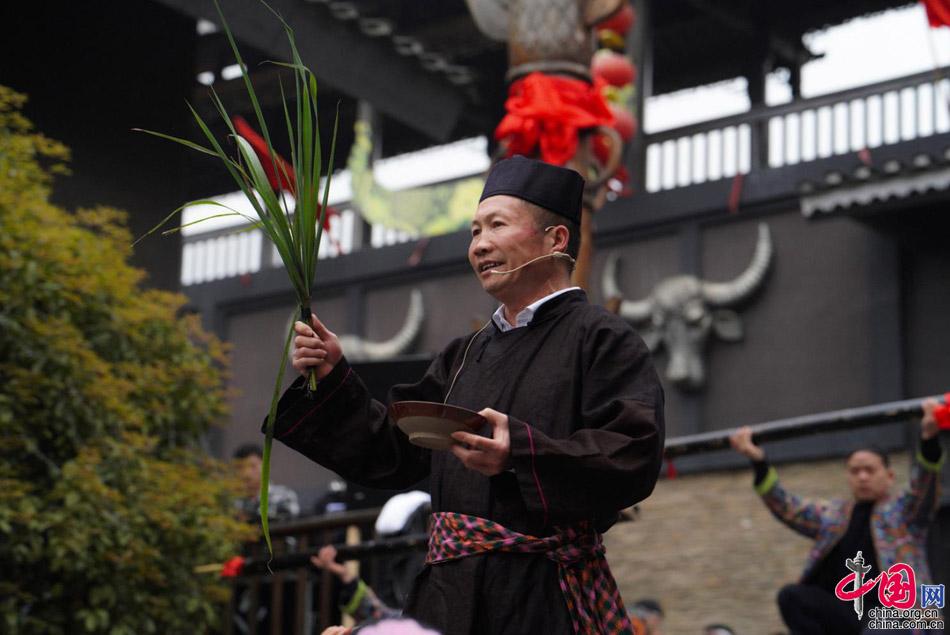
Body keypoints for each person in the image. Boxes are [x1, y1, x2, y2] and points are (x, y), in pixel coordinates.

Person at [268, 155, 665, 634]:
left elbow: (633, 453)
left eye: (496, 226)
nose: (480, 245)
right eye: (475, 232)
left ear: (555, 239)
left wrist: (519, 452)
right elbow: (394, 449)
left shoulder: (602, 339)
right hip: (449, 597)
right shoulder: (464, 354)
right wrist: (333, 376)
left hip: (543, 596)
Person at [729, 400, 945, 635]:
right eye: (855, 471)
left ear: (890, 476)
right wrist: (758, 461)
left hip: (900, 617)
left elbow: (924, 484)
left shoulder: (904, 513)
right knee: (791, 597)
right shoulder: (834, 516)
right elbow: (786, 506)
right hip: (851, 616)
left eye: (870, 470)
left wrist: (929, 438)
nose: (862, 477)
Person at [232, 443, 300, 523]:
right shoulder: (232, 501)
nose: (246, 473)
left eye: (253, 466)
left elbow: (289, 520)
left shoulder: (284, 495)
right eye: (240, 467)